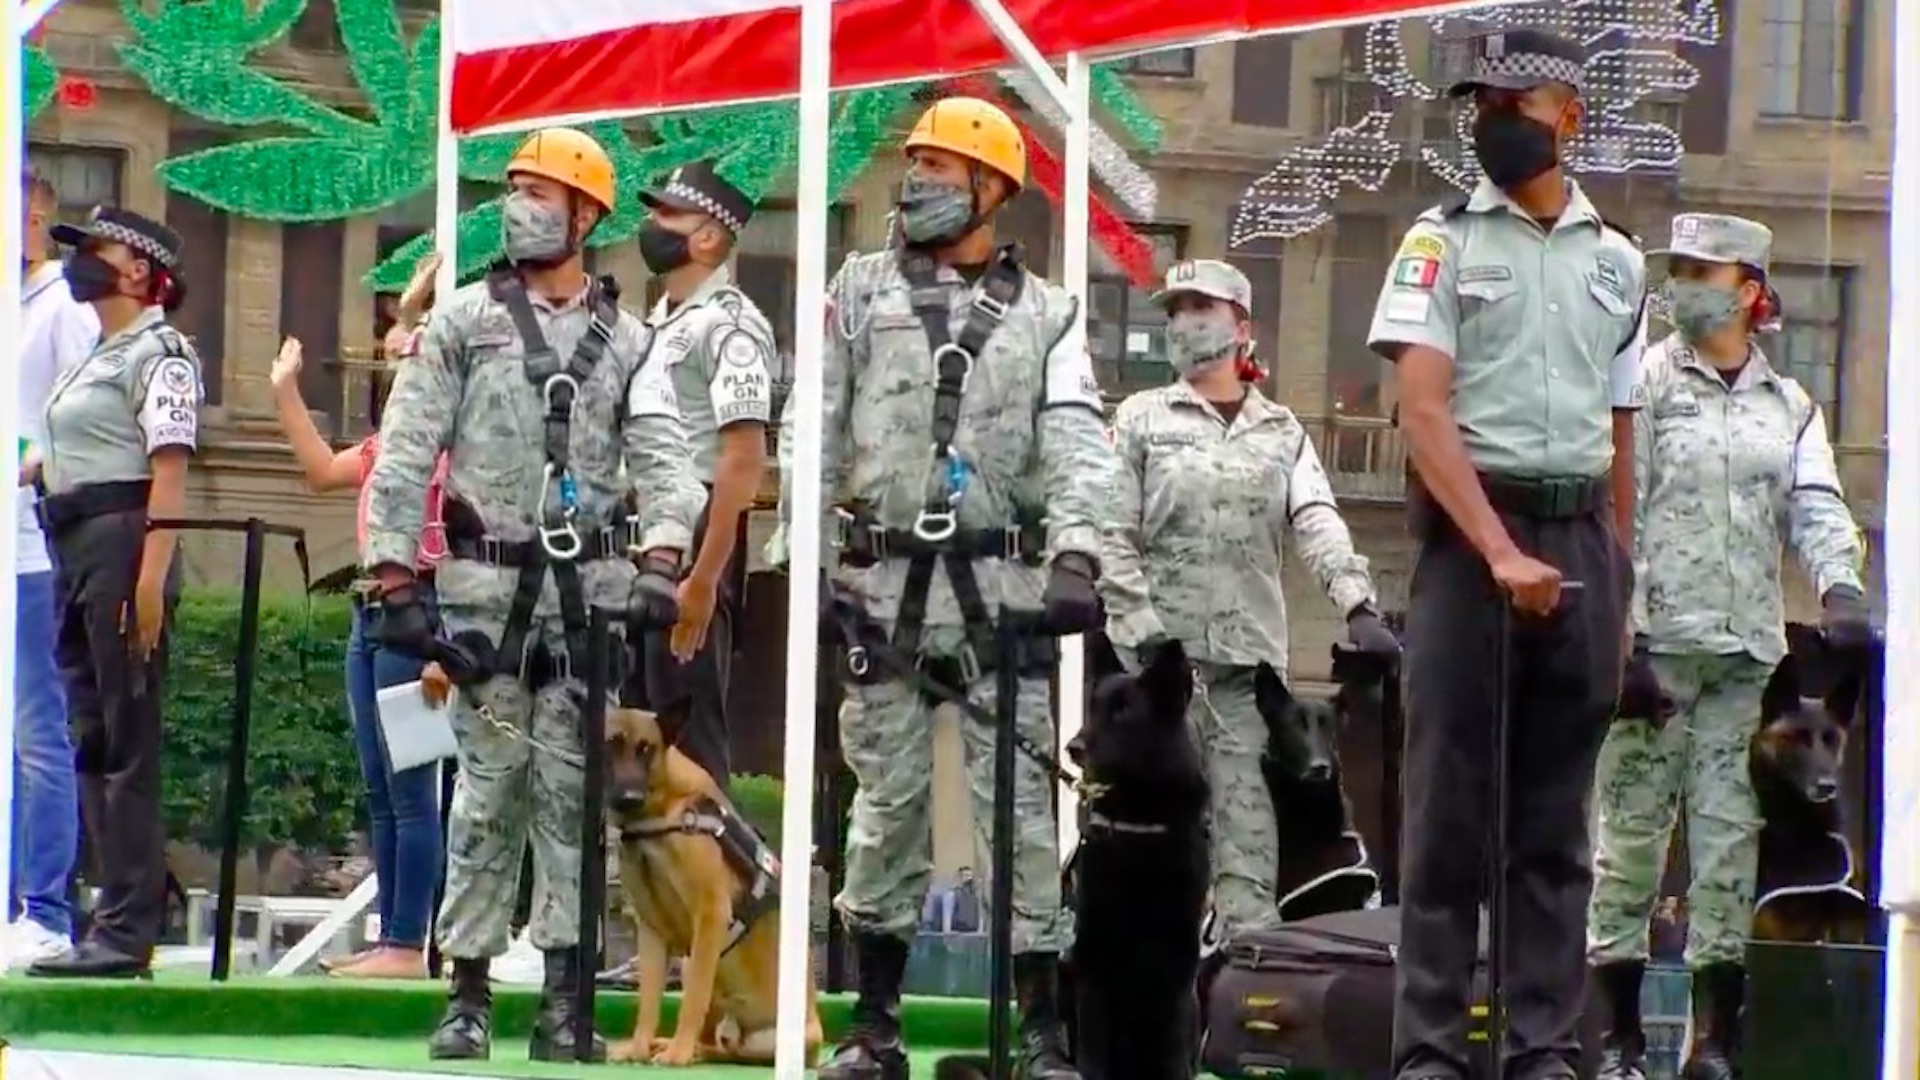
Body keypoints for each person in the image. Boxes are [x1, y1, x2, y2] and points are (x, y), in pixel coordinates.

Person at [360, 127, 704, 1061]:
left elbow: (670, 459)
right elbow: (405, 447)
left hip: (586, 597)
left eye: (540, 193)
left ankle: (564, 994)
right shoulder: (464, 323)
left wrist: (664, 560)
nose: (520, 208)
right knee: (484, 791)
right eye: (513, 190)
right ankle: (466, 989)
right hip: (481, 593)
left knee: (571, 798)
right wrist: (397, 576)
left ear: (588, 215)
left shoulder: (633, 343)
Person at [792, 96, 1113, 1080]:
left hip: (999, 587)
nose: (918, 181)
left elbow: (1077, 440)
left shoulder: (1050, 315)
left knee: (1013, 809)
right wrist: (804, 565)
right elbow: (816, 422)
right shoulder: (858, 288)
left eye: (941, 168)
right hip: (881, 584)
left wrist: (1078, 558)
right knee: (886, 806)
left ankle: (1040, 1032)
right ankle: (874, 1026)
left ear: (992, 190)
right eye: (915, 164)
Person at [1366, 30, 1648, 1080]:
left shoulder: (1618, 264)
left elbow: (1621, 435)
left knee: (1556, 826)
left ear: (1568, 112)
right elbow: (1423, 412)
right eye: (1478, 103)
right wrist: (1495, 553)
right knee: (1447, 813)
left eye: (1511, 100)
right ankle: (1432, 1052)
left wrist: (1618, 595)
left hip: (1579, 540)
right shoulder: (1439, 244)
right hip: (1470, 543)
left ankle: (1542, 1051)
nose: (1492, 120)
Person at [1587, 214, 1869, 1080]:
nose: (1685, 287)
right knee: (1629, 843)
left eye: (1704, 272)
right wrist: (1614, 634)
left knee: (1725, 846)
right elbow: (1611, 505)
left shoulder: (1788, 406)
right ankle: (1617, 1040)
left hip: (1741, 659)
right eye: (1679, 271)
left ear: (1750, 290)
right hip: (1653, 654)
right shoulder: (1642, 383)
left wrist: (1842, 584)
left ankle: (1714, 1042)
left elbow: (1815, 500)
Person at [1098, 258, 1397, 941]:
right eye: (1174, 310)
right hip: (1155, 683)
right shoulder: (1142, 420)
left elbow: (1316, 519)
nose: (1184, 323)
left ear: (1242, 327)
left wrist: (1356, 604)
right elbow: (1110, 530)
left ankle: (1240, 1016)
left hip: (1244, 684)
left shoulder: (1282, 432)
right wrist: (1142, 631)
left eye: (1201, 308)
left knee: (1248, 863)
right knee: (1148, 856)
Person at [25, 207, 202, 980]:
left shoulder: (160, 352)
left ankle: (129, 927)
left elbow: (169, 467)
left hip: (122, 541)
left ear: (138, 269)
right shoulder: (103, 351)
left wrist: (151, 579)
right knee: (92, 736)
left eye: (95, 250)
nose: (81, 262)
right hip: (73, 539)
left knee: (125, 740)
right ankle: (112, 915)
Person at [268, 255, 448, 982]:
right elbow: (319, 470)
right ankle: (393, 940)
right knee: (379, 787)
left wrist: (411, 315)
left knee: (412, 790)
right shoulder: (389, 444)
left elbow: (419, 348)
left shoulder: (452, 443)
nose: (398, 362)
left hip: (421, 613)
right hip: (371, 615)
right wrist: (284, 391)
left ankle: (409, 943)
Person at [630, 158, 774, 788]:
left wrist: (704, 579)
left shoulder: (730, 325)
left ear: (709, 235)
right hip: (646, 537)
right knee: (636, 742)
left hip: (695, 543)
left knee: (688, 746)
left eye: (668, 213)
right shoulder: (658, 322)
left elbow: (742, 461)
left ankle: (715, 883)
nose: (650, 224)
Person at [9, 170, 99, 971]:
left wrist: (34, 463)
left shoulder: (64, 306)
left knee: (39, 733)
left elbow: (84, 413)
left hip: (37, 552)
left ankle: (45, 908)